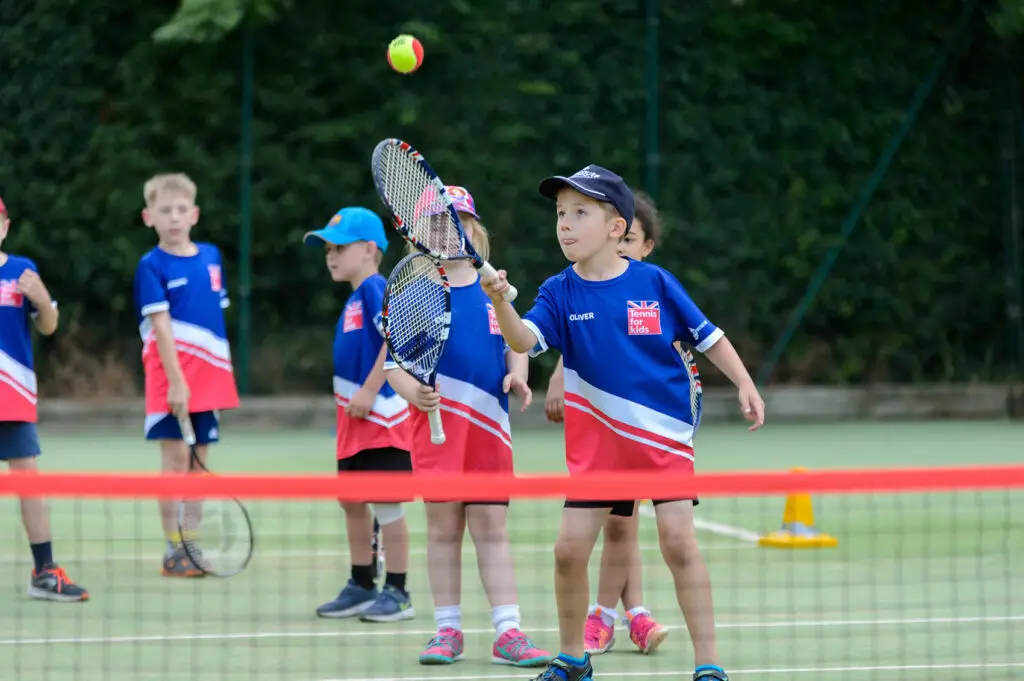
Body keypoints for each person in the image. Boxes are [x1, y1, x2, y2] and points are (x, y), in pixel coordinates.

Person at [481, 165, 765, 681]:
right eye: (561, 214)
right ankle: (572, 659)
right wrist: (500, 301)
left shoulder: (655, 282)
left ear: (617, 228)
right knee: (568, 551)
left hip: (661, 440)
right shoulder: (557, 291)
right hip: (598, 452)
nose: (565, 224)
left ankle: (709, 664)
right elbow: (523, 342)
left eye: (580, 213)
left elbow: (709, 335)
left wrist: (744, 382)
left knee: (679, 543)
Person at [384, 186, 552, 667]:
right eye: (435, 221)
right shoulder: (411, 293)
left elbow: (517, 340)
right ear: (418, 234)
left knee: (492, 528)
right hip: (436, 433)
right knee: (442, 531)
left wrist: (518, 375)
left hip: (489, 431)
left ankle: (508, 631)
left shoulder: (493, 285)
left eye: (456, 220)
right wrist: (411, 392)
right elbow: (394, 365)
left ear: (474, 230)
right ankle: (447, 630)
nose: (447, 228)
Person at [545, 191, 670, 656]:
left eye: (631, 240)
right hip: (598, 433)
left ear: (642, 244)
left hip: (643, 429)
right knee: (619, 526)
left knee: (625, 525)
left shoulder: (652, 292)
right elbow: (585, 346)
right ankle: (625, 613)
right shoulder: (578, 286)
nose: (621, 249)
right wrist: (558, 373)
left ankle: (617, 613)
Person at [305, 206, 415, 623]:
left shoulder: (374, 288)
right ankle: (361, 584)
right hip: (353, 425)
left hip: (383, 421)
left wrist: (371, 389)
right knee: (352, 503)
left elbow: (397, 338)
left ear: (369, 249)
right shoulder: (355, 296)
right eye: (327, 248)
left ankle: (399, 591)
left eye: (339, 247)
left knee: (387, 507)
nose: (330, 255)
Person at [132, 173, 240, 577]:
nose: (173, 217)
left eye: (181, 210)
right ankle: (173, 549)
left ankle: (191, 545)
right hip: (169, 380)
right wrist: (177, 381)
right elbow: (161, 327)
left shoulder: (211, 256)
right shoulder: (151, 265)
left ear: (194, 214)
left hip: (211, 380)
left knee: (200, 464)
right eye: (165, 210)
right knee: (175, 461)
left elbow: (212, 318)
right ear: (149, 217)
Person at [0, 196, 89, 602]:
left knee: (30, 483)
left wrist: (41, 296)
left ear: (5, 226)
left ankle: (44, 572)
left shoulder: (22, 271)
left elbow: (50, 325)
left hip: (13, 395)